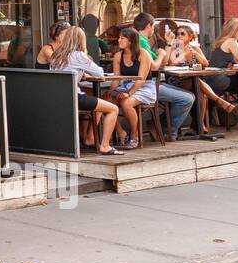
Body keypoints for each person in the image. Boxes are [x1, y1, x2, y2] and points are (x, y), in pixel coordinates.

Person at [49, 26, 121, 155]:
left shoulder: (56, 55)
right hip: (74, 97)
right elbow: (99, 73)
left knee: (99, 105)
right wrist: (86, 71)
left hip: (57, 98)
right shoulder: (78, 55)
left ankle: (90, 139)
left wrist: (81, 73)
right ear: (81, 40)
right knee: (113, 108)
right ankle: (105, 146)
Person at [159, 25, 236, 134]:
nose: (179, 36)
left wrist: (195, 54)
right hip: (177, 81)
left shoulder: (194, 48)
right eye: (178, 34)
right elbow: (173, 62)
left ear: (190, 37)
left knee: (201, 94)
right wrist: (185, 54)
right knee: (197, 83)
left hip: (193, 80)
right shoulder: (175, 47)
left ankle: (199, 124)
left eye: (182, 34)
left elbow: (205, 63)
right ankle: (218, 101)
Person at [131, 12, 195, 141]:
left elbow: (162, 64)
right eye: (153, 26)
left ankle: (160, 126)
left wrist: (169, 43)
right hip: (146, 85)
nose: (153, 29)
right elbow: (156, 66)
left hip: (149, 82)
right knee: (187, 99)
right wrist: (161, 54)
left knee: (191, 95)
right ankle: (167, 131)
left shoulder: (139, 40)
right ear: (149, 26)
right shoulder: (141, 41)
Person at [108, 26, 155, 149]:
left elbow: (142, 79)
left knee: (126, 103)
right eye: (119, 38)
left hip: (144, 86)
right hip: (125, 85)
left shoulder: (143, 54)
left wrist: (128, 93)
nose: (119, 40)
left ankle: (135, 136)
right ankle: (121, 132)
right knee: (106, 102)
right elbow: (116, 79)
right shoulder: (118, 56)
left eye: (122, 38)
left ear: (131, 41)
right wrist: (111, 92)